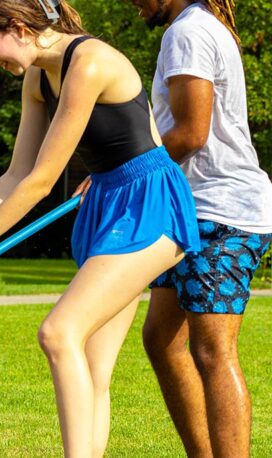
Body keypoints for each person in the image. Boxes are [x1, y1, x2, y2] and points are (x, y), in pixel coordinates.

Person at [0, 0, 201, 455]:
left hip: (149, 204)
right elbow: (14, 176)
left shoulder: (88, 64)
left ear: (17, 26)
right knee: (91, 362)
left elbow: (41, 182)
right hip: (106, 201)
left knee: (59, 332)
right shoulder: (36, 77)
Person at [127, 1, 272, 457]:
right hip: (190, 211)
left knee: (212, 351)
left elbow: (192, 133)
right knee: (161, 338)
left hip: (222, 211)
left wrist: (127, 171)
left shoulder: (188, 32)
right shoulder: (197, 28)